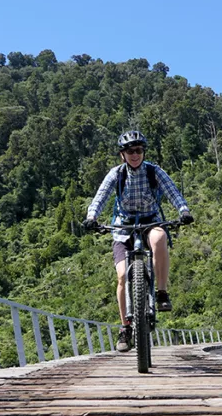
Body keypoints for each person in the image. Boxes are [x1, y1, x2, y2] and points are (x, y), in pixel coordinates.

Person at [83, 130, 194, 352]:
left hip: (149, 222)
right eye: (130, 151)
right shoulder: (116, 174)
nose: (135, 155)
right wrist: (91, 217)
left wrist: (184, 210)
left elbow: (173, 192)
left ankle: (161, 292)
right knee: (122, 275)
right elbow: (100, 197)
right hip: (123, 227)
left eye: (139, 150)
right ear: (122, 154)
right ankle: (125, 328)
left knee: (160, 237)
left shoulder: (154, 171)